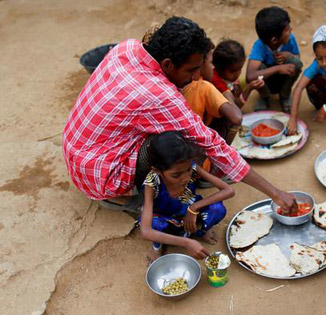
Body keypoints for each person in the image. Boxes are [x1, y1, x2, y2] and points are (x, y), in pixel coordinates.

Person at [63, 17, 297, 237]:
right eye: (191, 70)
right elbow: (212, 143)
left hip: (78, 154)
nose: (196, 77)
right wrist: (275, 193)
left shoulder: (128, 48)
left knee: (171, 134)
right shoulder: (160, 96)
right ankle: (127, 198)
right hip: (101, 177)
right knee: (172, 140)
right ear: (167, 64)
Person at [140, 131, 233, 261]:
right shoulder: (152, 182)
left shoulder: (192, 167)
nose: (185, 178)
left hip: (189, 213)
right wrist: (187, 243)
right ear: (157, 170)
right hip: (166, 218)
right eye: (176, 175)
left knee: (217, 209)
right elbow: (146, 231)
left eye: (188, 170)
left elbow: (228, 190)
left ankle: (201, 231)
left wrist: (194, 207)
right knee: (156, 224)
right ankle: (157, 246)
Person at [246, 6, 302, 112]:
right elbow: (250, 76)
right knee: (258, 71)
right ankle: (265, 97)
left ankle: (284, 96)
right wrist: (278, 68)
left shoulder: (290, 39)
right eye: (287, 30)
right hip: (267, 82)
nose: (291, 30)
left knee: (295, 63)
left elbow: (298, 59)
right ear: (274, 40)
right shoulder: (259, 46)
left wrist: (289, 55)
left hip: (283, 80)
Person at [211, 39, 265, 110]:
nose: (238, 73)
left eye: (240, 68)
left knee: (244, 81)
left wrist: (235, 82)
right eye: (233, 71)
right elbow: (236, 106)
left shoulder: (226, 74)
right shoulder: (217, 84)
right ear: (219, 69)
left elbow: (233, 79)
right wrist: (249, 88)